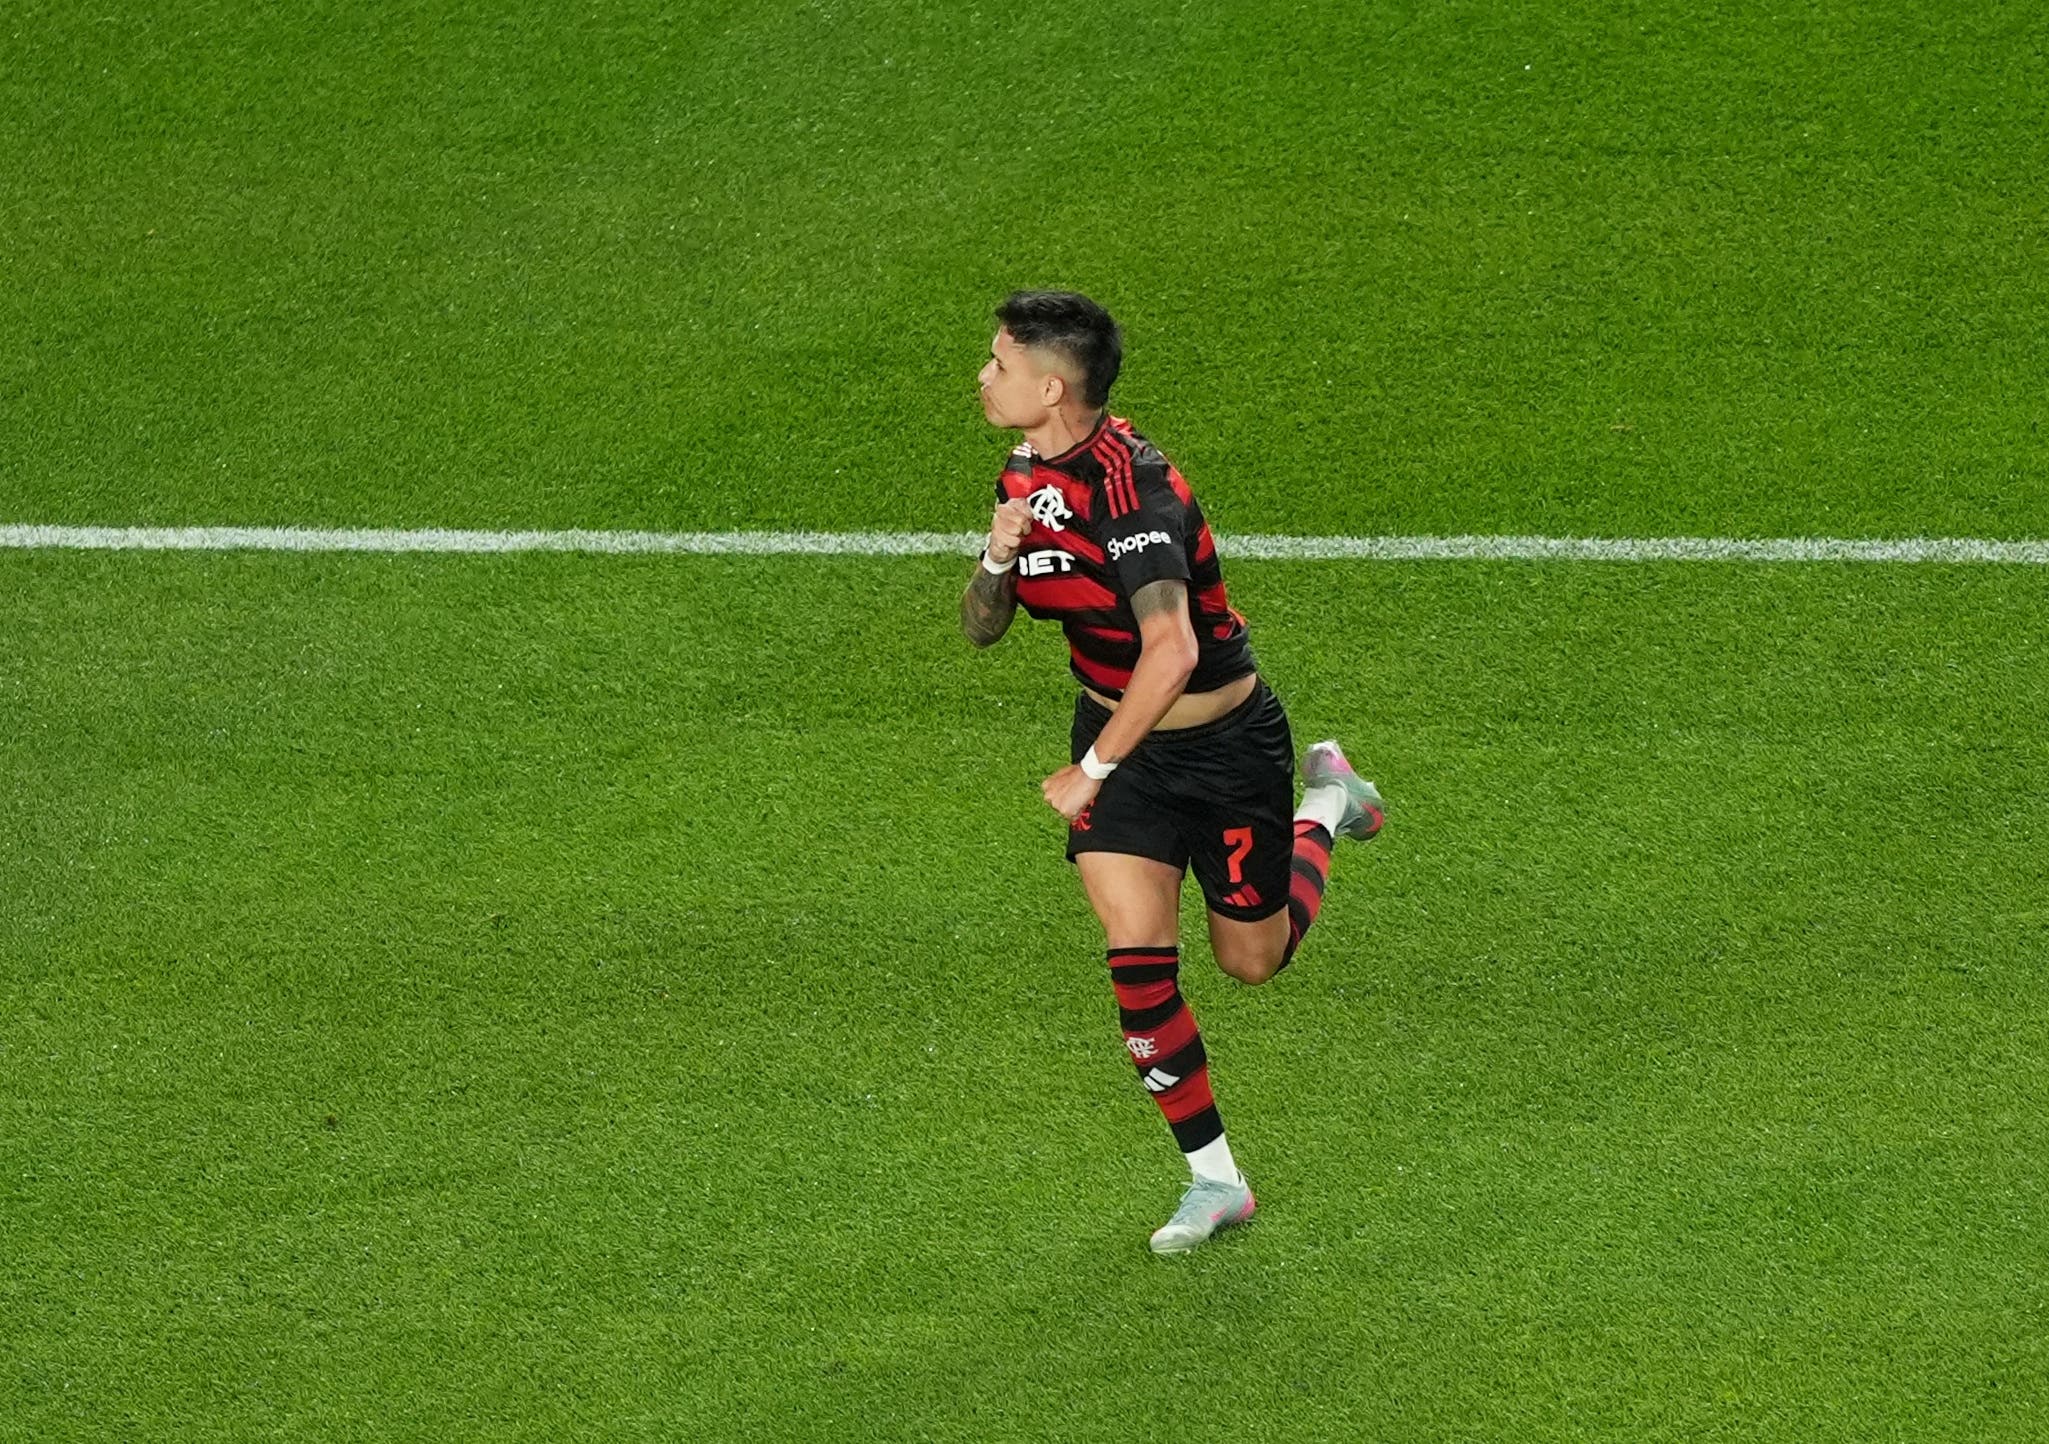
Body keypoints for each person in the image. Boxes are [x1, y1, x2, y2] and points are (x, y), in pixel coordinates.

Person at [959, 290, 1385, 1255]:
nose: (983, 377)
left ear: (1051, 386)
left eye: (998, 363)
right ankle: (1215, 1181)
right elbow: (981, 628)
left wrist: (1091, 769)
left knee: (1251, 962)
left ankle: (1325, 802)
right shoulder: (1025, 471)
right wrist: (996, 554)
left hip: (1224, 749)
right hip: (1120, 745)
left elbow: (1174, 651)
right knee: (1136, 957)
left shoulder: (1135, 494)